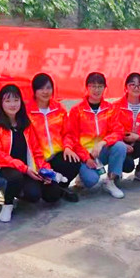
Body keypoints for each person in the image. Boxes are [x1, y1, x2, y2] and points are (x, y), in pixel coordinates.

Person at [0, 84, 61, 222]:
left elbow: (36, 150)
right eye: (8, 101)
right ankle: (8, 203)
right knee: (15, 177)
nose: (12, 104)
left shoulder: (25, 123)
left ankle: (18, 190)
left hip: (26, 168)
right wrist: (24, 168)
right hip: (1, 167)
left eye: (16, 100)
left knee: (50, 193)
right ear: (1, 103)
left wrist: (45, 170)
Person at [67, 73, 127, 199]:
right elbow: (72, 138)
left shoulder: (111, 108)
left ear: (105, 88)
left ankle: (110, 181)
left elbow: (118, 131)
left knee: (120, 146)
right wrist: (86, 158)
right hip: (85, 155)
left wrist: (103, 142)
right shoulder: (76, 111)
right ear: (87, 87)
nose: (96, 90)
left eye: (100, 86)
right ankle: (82, 174)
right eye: (93, 86)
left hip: (102, 151)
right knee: (91, 181)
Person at [26, 73, 80, 203]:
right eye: (41, 88)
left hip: (57, 157)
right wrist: (42, 167)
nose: (45, 92)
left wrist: (67, 147)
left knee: (73, 161)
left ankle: (61, 186)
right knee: (51, 197)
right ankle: (55, 188)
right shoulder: (27, 112)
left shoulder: (59, 108)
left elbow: (67, 132)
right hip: (37, 161)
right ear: (34, 91)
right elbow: (29, 143)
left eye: (48, 88)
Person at [113, 73, 140, 186]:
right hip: (120, 144)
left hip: (137, 143)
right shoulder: (115, 107)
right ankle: (115, 171)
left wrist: (138, 136)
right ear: (126, 87)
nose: (136, 88)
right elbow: (111, 129)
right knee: (128, 166)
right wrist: (122, 143)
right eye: (132, 84)